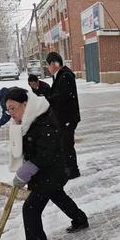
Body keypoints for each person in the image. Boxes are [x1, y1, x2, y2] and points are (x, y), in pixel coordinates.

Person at [6, 87, 89, 240]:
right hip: (46, 171)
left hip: (53, 170)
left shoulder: (43, 120)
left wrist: (25, 172)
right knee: (58, 196)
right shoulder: (26, 120)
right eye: (8, 109)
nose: (10, 113)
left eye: (13, 108)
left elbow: (45, 153)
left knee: (30, 208)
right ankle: (80, 220)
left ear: (25, 104)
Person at [46, 51, 81, 179]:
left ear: (54, 64)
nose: (48, 68)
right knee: (64, 144)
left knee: (67, 144)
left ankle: (72, 170)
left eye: (48, 65)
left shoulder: (65, 76)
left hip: (68, 118)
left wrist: (48, 100)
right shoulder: (61, 75)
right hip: (64, 117)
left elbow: (62, 97)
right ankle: (68, 168)